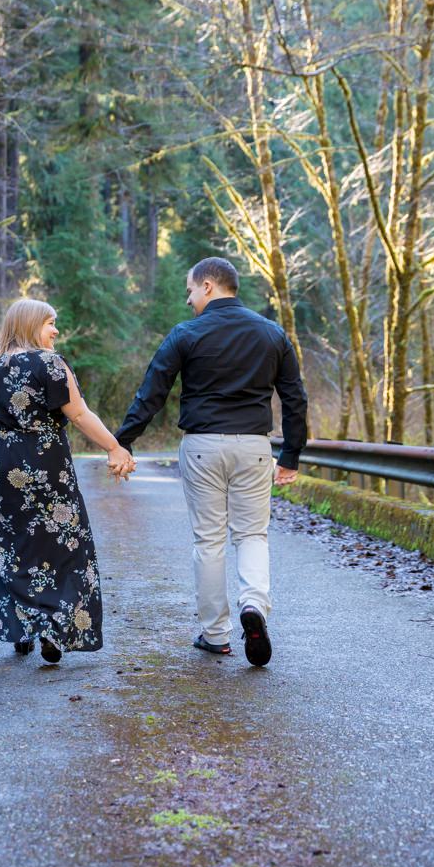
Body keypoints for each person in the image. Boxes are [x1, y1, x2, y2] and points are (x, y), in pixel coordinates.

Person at [113, 257, 308, 667]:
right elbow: (294, 398)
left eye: (190, 290)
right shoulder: (272, 334)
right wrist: (290, 453)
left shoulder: (186, 334)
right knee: (252, 535)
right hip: (254, 446)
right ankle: (253, 605)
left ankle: (216, 635)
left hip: (202, 446)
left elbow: (152, 393)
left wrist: (122, 442)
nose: (188, 299)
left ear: (207, 286)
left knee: (209, 540)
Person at [0, 299, 136, 664]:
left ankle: (22, 625)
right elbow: (80, 414)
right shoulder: (50, 364)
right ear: (31, 324)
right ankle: (53, 626)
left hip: (2, 467)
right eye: (50, 323)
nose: (55, 331)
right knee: (59, 548)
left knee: (8, 548)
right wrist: (114, 448)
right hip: (46, 464)